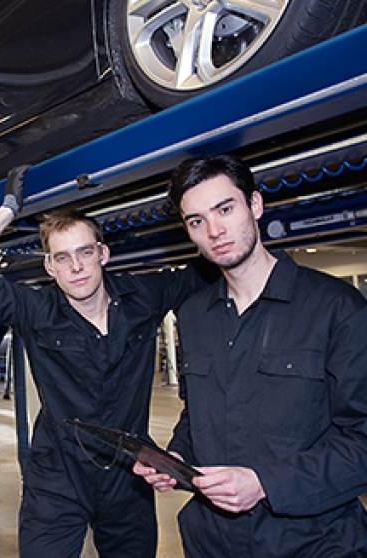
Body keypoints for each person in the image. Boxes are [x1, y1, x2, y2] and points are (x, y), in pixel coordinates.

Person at [0, 166, 214, 557]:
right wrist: (7, 211)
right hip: (57, 476)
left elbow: (210, 265)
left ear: (103, 254)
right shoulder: (35, 309)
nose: (77, 267)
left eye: (85, 252)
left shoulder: (143, 297)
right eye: (62, 258)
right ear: (50, 267)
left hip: (127, 474)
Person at [134, 154, 367, 557]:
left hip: (313, 541)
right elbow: (198, 415)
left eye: (225, 209)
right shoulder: (194, 316)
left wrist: (264, 483)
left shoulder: (336, 308)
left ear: (255, 205)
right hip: (212, 540)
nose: (214, 231)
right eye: (196, 221)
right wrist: (176, 457)